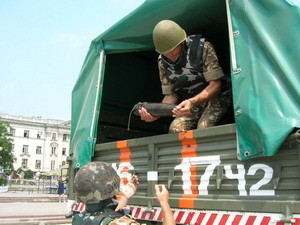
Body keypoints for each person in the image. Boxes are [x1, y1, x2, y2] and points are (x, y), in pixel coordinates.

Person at [139, 20, 232, 133]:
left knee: (204, 127)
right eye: (165, 52)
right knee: (175, 129)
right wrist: (156, 114)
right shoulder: (162, 62)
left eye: (172, 50)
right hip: (192, 102)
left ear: (182, 42)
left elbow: (216, 84)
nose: (169, 55)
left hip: (218, 96)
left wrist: (191, 102)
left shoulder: (202, 47)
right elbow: (171, 96)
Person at [72, 161, 176, 225]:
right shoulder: (121, 223)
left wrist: (125, 198)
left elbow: (104, 213)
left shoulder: (79, 218)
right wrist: (164, 203)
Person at [72, 161, 140, 225]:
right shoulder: (123, 222)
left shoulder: (78, 219)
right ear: (109, 186)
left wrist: (124, 198)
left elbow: (106, 213)